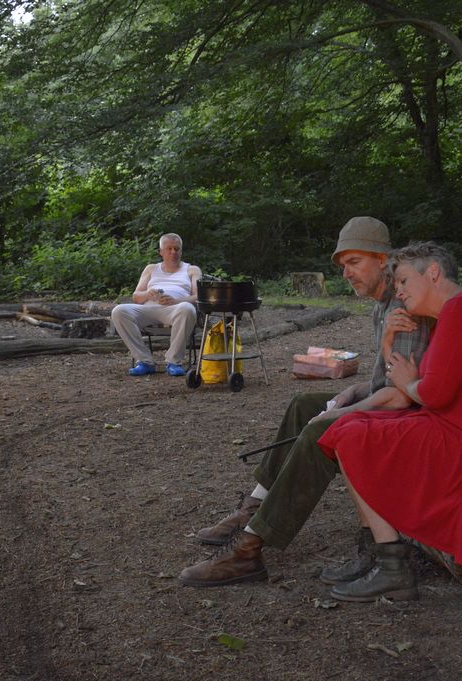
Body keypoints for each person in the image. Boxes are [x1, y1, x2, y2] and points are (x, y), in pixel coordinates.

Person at [178, 216, 433, 588]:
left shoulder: (403, 306)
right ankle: (254, 505)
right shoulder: (382, 305)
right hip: (395, 402)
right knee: (305, 405)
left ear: (383, 260)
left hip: (414, 417)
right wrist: (352, 391)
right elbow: (391, 377)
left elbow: (402, 395)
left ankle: (249, 547)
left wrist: (341, 412)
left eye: (354, 262)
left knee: (321, 429)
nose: (346, 273)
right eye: (342, 265)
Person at [317, 242, 462, 602]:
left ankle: (392, 567)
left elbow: (430, 393)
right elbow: (411, 381)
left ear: (433, 272)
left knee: (349, 434)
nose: (399, 292)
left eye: (404, 281)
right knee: (347, 429)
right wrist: (389, 344)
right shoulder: (455, 314)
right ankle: (378, 554)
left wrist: (409, 385)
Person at [110, 233, 201, 377]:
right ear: (161, 252)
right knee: (119, 311)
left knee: (187, 309)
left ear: (181, 251)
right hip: (148, 308)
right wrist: (148, 294)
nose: (173, 252)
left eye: (177, 249)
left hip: (175, 309)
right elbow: (136, 296)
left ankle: (174, 362)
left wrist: (176, 301)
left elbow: (198, 296)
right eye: (169, 248)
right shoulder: (151, 269)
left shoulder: (191, 270)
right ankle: (144, 361)